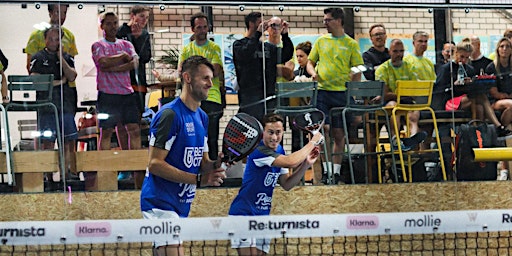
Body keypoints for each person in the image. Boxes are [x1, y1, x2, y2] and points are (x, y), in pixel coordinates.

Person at [140, 55, 227, 256]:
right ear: (187, 78)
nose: (210, 84)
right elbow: (154, 164)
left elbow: (203, 162)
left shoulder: (202, 117)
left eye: (211, 79)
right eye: (205, 78)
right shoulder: (169, 115)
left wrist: (216, 164)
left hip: (180, 205)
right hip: (159, 203)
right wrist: (198, 179)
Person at [229, 113, 323, 256]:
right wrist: (313, 142)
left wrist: (306, 164)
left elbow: (286, 184)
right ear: (262, 133)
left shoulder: (280, 151)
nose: (274, 137)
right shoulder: (258, 151)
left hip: (263, 217)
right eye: (270, 132)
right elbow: (291, 161)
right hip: (243, 215)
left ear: (283, 132)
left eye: (278, 132)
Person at [306, 7, 364, 184]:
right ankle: (326, 170)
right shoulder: (321, 41)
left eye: (327, 20)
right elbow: (310, 62)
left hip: (341, 93)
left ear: (338, 21)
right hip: (322, 92)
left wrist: (352, 81)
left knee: (339, 134)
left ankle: (336, 172)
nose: (325, 23)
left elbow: (358, 67)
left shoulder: (351, 44)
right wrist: (312, 73)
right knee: (323, 131)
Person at [91, 12, 141, 190]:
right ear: (102, 26)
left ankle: (135, 170)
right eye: (109, 23)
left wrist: (117, 66)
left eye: (115, 23)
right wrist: (121, 58)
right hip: (107, 94)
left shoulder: (126, 44)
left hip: (126, 94)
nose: (113, 26)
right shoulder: (98, 45)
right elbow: (103, 63)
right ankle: (104, 171)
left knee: (133, 129)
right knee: (107, 132)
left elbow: (134, 62)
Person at [433, 41, 512, 138]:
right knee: (480, 98)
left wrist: (472, 83)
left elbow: (472, 89)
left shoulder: (469, 69)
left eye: (467, 57)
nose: (464, 60)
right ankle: (496, 128)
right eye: (462, 57)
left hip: (468, 98)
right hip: (450, 100)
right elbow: (439, 89)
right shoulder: (446, 68)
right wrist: (453, 85)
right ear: (456, 53)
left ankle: (480, 137)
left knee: (479, 105)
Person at [29, 25, 78, 180]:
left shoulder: (67, 57)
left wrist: (60, 58)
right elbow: (36, 82)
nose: (53, 42)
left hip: (65, 105)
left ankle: (66, 174)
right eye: (50, 39)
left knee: (67, 141)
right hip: (46, 107)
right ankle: (47, 175)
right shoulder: (38, 57)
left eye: (56, 39)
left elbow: (71, 76)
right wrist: (57, 82)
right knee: (48, 142)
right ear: (45, 40)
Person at [177, 12, 224, 161]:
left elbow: (215, 71)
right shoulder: (187, 50)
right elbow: (182, 72)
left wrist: (196, 74)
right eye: (199, 27)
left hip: (212, 98)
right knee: (193, 136)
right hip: (192, 100)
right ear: (193, 29)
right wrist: (204, 71)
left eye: (205, 27)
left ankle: (212, 173)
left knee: (211, 138)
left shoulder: (214, 48)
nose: (202, 30)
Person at [233, 12, 294, 121]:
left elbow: (286, 55)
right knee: (253, 126)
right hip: (249, 96)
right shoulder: (239, 45)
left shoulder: (268, 47)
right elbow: (246, 54)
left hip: (269, 95)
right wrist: (257, 34)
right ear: (251, 24)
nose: (264, 25)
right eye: (260, 22)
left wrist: (285, 35)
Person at [115, 5, 152, 186]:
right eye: (142, 17)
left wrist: (138, 40)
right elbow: (120, 56)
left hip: (138, 83)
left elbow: (145, 57)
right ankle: (124, 164)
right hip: (120, 83)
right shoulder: (121, 31)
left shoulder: (144, 35)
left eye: (146, 18)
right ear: (133, 16)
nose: (144, 21)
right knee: (120, 124)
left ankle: (136, 164)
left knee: (135, 124)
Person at [375, 39, 426, 151]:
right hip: (389, 103)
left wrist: (400, 94)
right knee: (394, 106)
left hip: (406, 101)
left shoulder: (410, 67)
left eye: (401, 51)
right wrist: (401, 94)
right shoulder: (382, 69)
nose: (399, 54)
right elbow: (385, 94)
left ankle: (412, 139)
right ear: (389, 52)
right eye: (395, 51)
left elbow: (414, 90)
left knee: (414, 113)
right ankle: (395, 139)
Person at [25, 4, 78, 113]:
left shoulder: (69, 35)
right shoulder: (37, 35)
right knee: (46, 124)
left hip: (68, 89)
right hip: (46, 91)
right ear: (50, 13)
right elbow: (30, 66)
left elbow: (72, 65)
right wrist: (49, 83)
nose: (62, 17)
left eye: (64, 13)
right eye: (58, 12)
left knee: (67, 123)